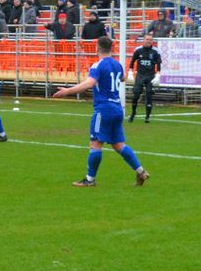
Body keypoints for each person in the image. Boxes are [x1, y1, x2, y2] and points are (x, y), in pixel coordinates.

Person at [53, 36, 150, 187]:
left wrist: (68, 91)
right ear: (112, 48)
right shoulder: (117, 65)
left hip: (103, 109)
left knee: (95, 144)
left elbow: (90, 83)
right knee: (118, 144)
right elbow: (123, 78)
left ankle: (90, 180)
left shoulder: (97, 65)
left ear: (97, 48)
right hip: (117, 109)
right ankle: (141, 172)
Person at [127, 34, 162, 123]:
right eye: (147, 39)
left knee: (149, 95)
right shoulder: (138, 50)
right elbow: (132, 62)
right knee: (136, 95)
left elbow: (158, 64)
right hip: (140, 75)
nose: (148, 41)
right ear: (143, 40)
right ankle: (133, 113)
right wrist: (130, 72)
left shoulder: (155, 51)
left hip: (150, 76)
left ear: (152, 41)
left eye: (150, 40)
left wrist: (158, 75)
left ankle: (147, 117)